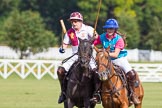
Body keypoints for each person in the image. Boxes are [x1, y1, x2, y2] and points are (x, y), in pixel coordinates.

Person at [93, 18, 140, 105]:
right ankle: (97, 94)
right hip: (106, 60)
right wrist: (92, 38)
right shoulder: (102, 36)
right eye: (108, 28)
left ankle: (133, 94)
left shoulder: (119, 39)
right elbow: (93, 43)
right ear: (106, 29)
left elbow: (115, 54)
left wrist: (104, 53)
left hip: (119, 59)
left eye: (111, 28)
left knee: (131, 73)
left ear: (115, 29)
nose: (109, 30)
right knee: (96, 73)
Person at [57, 12, 101, 104]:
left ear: (81, 21)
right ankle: (63, 92)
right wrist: (62, 49)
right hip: (75, 56)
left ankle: (97, 94)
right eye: (72, 21)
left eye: (76, 21)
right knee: (60, 71)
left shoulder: (88, 29)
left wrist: (94, 40)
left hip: (88, 57)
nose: (74, 23)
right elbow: (65, 44)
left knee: (96, 72)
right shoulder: (70, 32)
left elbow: (98, 39)